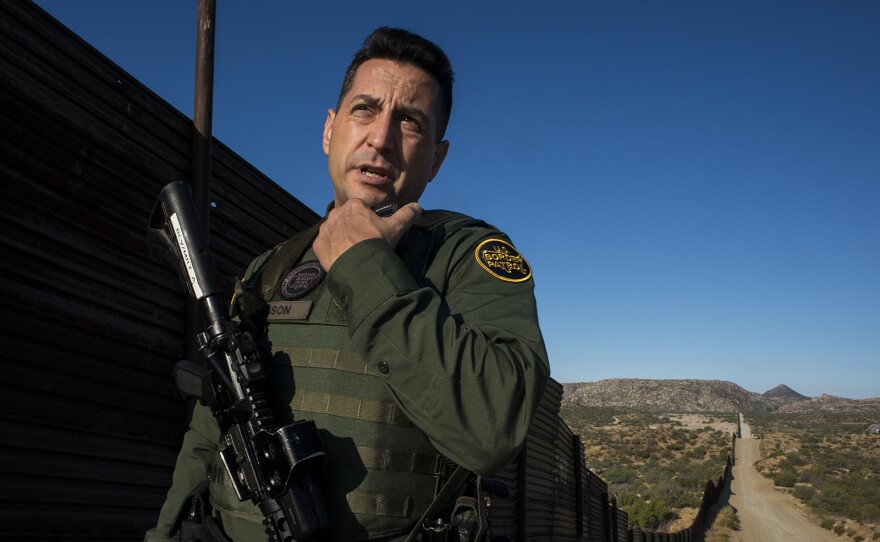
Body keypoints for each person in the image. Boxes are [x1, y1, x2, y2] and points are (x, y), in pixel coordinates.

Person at [146, 27, 550, 542]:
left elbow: (495, 424)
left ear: (437, 158)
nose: (380, 139)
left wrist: (364, 263)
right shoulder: (268, 268)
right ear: (329, 131)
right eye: (365, 109)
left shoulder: (465, 257)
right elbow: (211, 429)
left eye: (409, 122)